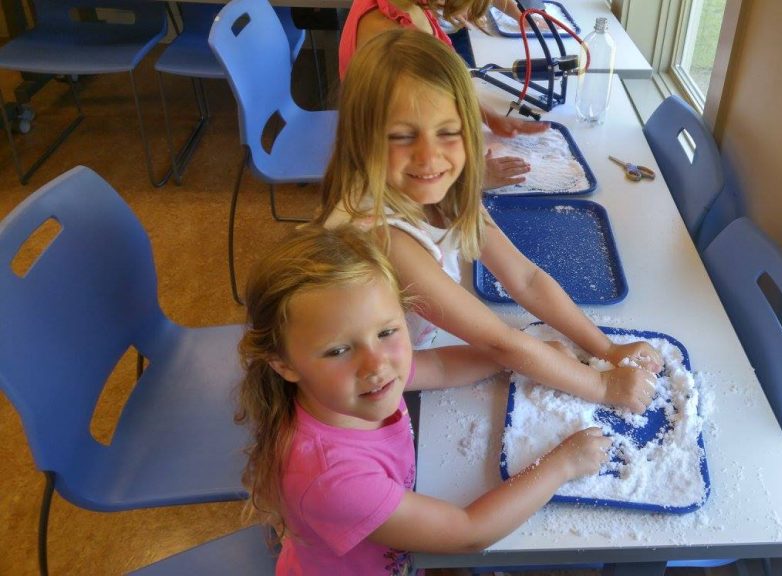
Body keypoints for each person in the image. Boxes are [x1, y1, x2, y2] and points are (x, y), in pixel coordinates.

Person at [317, 29, 663, 414]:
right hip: (357, 384)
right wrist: (601, 387)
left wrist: (606, 348)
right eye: (401, 136)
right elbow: (498, 342)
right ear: (362, 141)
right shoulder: (385, 237)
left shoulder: (446, 192)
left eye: (448, 132)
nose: (430, 158)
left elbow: (526, 279)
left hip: (405, 353)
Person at [236, 225, 612, 575]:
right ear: (285, 364)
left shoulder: (352, 388)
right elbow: (469, 532)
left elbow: (440, 367)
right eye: (337, 351)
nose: (376, 364)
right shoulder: (332, 479)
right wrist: (563, 465)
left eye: (386, 331)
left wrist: (526, 358)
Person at [338, 0, 547, 190]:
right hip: (391, 186)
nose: (457, 12)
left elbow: (441, 92)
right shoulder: (390, 38)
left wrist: (488, 116)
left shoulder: (411, 7)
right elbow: (405, 151)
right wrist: (470, 178)